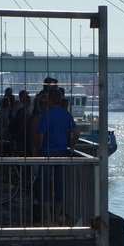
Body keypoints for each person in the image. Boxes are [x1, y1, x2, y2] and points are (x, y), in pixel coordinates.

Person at [33, 87, 78, 224]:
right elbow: (76, 133)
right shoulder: (66, 115)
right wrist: (71, 146)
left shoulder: (46, 115)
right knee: (59, 186)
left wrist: (37, 150)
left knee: (44, 185)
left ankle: (47, 217)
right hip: (62, 154)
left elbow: (40, 136)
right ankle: (56, 216)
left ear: (51, 100)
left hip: (46, 154)